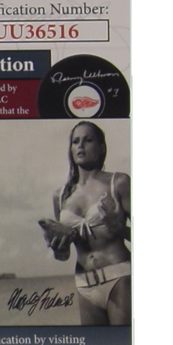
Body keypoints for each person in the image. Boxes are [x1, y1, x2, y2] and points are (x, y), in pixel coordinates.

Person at [39, 122, 131, 325]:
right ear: (71, 149)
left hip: (120, 277)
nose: (81, 146)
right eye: (75, 141)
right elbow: (64, 256)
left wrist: (120, 228)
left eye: (88, 140)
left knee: (121, 343)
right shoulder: (60, 196)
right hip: (84, 283)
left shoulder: (119, 183)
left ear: (101, 147)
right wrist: (58, 249)